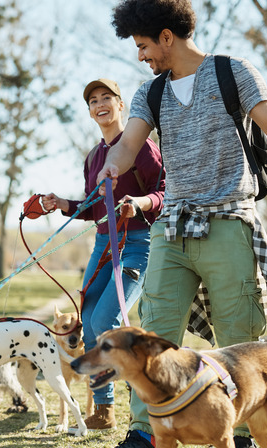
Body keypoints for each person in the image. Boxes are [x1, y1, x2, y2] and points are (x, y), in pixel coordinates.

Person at [96, 0, 267, 448]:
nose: (141, 56)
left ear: (167, 36)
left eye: (144, 45)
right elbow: (130, 144)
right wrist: (115, 164)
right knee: (151, 330)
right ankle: (144, 431)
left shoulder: (234, 73)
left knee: (239, 332)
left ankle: (241, 428)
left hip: (228, 221)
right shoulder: (150, 93)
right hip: (172, 228)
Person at [41, 78, 165, 431]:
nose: (100, 105)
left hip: (138, 244)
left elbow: (163, 193)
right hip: (102, 245)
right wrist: (63, 204)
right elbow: (94, 206)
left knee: (105, 322)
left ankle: (139, 402)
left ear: (121, 104)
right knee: (89, 319)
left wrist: (137, 205)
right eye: (93, 101)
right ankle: (103, 410)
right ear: (91, 111)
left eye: (106, 97)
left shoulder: (142, 148)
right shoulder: (94, 157)